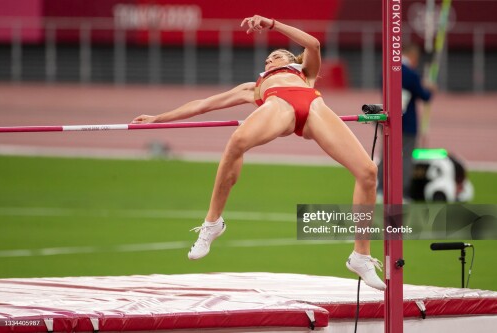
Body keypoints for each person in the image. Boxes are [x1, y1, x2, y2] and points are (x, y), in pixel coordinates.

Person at [132, 15, 386, 291]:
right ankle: (212, 223)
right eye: (266, 60)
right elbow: (203, 104)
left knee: (368, 172)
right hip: (279, 107)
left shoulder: (305, 72)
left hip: (313, 108)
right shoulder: (254, 88)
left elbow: (312, 43)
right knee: (238, 141)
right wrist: (159, 118)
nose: (269, 61)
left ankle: (360, 256)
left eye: (275, 56)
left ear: (289, 59)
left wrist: (273, 24)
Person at [377, 43, 436, 200]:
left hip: (388, 120)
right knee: (406, 158)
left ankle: (380, 190)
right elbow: (425, 96)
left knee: (386, 156)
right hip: (408, 124)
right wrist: (430, 89)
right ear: (413, 56)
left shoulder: (387, 71)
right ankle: (401, 193)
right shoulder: (411, 74)